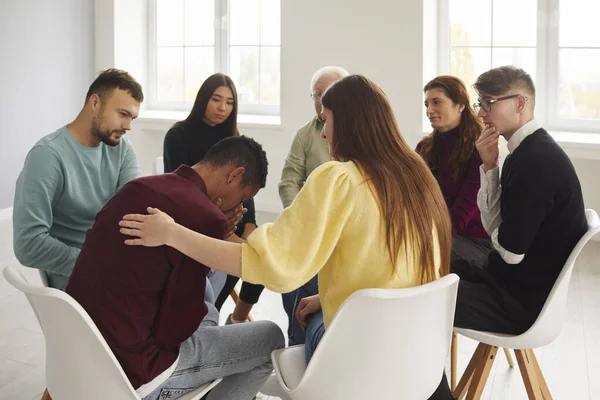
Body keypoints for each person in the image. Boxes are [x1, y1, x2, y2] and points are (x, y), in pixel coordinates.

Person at [119, 75, 456, 398]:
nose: (324, 133)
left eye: (326, 120)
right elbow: (395, 268)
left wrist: (173, 233)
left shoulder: (339, 179)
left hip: (356, 361)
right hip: (416, 357)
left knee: (284, 325)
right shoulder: (417, 177)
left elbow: (271, 265)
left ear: (350, 122)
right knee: (312, 304)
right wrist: (326, 298)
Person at [66, 136, 284, 400]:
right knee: (270, 338)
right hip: (139, 374)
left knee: (207, 304)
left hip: (82, 358)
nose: (239, 207)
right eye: (243, 198)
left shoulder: (136, 187)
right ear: (234, 175)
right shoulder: (206, 217)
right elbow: (174, 331)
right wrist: (213, 226)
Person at [452, 66, 587, 334]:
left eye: (488, 103)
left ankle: (434, 377)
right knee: (427, 267)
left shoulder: (536, 162)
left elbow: (510, 252)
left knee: (419, 297)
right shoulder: (524, 152)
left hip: (517, 303)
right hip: (506, 281)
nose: (480, 113)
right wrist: (490, 166)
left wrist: (497, 234)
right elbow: (498, 232)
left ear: (520, 103)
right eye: (480, 103)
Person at [13, 69, 143, 289]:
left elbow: (133, 212)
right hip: (82, 279)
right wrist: (98, 262)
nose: (128, 126)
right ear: (95, 103)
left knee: (194, 289)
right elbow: (29, 244)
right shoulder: (47, 155)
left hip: (117, 265)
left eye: (132, 118)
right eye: (122, 114)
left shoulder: (122, 149)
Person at [163, 73, 261, 323]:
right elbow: (178, 187)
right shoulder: (178, 135)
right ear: (203, 99)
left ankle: (236, 318)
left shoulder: (235, 138)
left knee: (261, 257)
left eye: (229, 102)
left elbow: (245, 189)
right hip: (199, 219)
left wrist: (250, 224)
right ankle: (208, 316)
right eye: (216, 100)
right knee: (240, 259)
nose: (222, 108)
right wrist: (222, 223)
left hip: (234, 218)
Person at [278, 65, 348, 344]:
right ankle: (297, 336)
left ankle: (302, 340)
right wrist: (301, 219)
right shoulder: (305, 134)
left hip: (340, 228)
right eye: (317, 94)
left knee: (309, 271)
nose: (321, 100)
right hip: (310, 221)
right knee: (288, 265)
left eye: (328, 93)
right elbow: (288, 182)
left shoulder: (358, 136)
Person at [417, 76, 492, 268]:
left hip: (474, 243)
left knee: (412, 250)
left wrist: (425, 237)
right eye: (427, 104)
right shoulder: (424, 147)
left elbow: (463, 212)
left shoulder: (479, 149)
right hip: (438, 232)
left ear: (460, 105)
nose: (429, 110)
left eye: (437, 102)